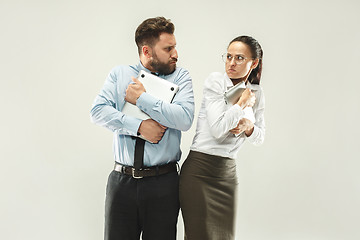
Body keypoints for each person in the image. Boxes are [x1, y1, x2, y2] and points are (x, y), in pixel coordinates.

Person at [90, 17, 194, 240]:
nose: (176, 53)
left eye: (175, 46)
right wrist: (138, 127)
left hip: (163, 184)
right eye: (168, 48)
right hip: (121, 183)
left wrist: (142, 99)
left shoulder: (181, 77)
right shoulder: (119, 75)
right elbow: (98, 111)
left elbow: (184, 119)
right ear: (147, 51)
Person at [179, 35, 265, 240]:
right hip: (199, 171)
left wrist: (248, 126)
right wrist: (241, 105)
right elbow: (218, 129)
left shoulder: (257, 92)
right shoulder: (216, 82)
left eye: (239, 58)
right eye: (228, 57)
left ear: (254, 63)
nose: (231, 63)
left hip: (227, 175)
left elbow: (260, 137)